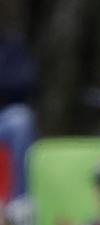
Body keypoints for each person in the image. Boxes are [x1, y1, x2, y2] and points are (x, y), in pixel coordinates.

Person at [0, 32, 37, 204]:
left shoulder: (11, 49)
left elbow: (24, 84)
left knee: (21, 120)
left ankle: (19, 204)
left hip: (4, 119)